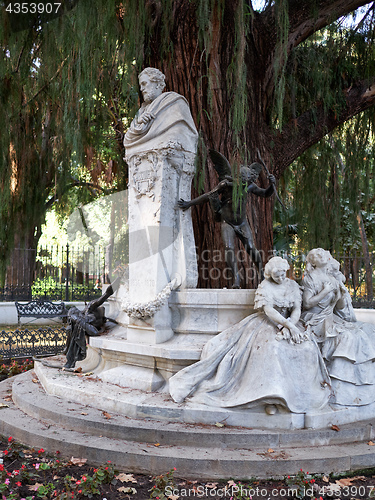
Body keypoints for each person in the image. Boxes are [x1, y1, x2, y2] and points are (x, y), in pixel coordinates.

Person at [169, 256, 331, 413]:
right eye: (276, 275)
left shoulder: (292, 286)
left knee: (307, 347)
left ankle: (298, 396)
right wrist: (287, 325)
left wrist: (292, 326)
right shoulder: (265, 287)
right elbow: (268, 310)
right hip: (268, 322)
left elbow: (296, 308)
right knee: (272, 348)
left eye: (283, 274)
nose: (280, 278)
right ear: (270, 275)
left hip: (290, 323)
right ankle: (269, 398)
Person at [177, 149, 276, 287]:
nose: (245, 183)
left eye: (248, 180)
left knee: (251, 248)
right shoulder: (226, 185)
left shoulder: (250, 186)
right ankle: (236, 279)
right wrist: (189, 203)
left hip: (242, 223)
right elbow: (208, 196)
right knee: (229, 248)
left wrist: (272, 185)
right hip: (227, 222)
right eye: (243, 179)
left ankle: (262, 276)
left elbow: (265, 194)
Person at [302, 248, 375, 406]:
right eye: (318, 256)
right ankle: (337, 385)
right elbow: (307, 303)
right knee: (346, 337)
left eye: (324, 255)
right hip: (315, 318)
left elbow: (340, 306)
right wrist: (325, 291)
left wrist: (341, 294)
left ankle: (357, 388)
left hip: (330, 317)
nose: (323, 257)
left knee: (360, 335)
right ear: (313, 262)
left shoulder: (332, 279)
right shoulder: (310, 278)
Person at [123, 67, 198, 158]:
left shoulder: (176, 102)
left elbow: (180, 133)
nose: (142, 89)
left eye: (144, 84)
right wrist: (139, 122)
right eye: (140, 86)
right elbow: (128, 140)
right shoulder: (142, 111)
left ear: (157, 84)